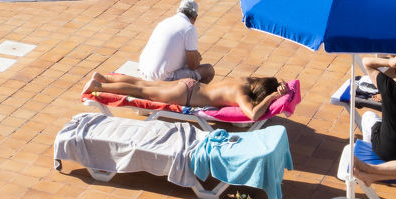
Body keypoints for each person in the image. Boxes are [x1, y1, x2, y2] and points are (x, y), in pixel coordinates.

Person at [83, 70, 284, 121]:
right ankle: (99, 85)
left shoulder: (244, 80)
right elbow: (253, 115)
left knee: (144, 84)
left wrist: (279, 85)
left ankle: (104, 79)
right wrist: (271, 98)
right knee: (141, 91)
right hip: (185, 96)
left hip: (189, 85)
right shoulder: (243, 95)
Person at [132, 0, 213, 83]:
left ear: (178, 11)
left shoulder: (164, 22)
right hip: (160, 79)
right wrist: (197, 58)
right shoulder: (189, 28)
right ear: (195, 17)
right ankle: (190, 95)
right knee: (208, 70)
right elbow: (193, 65)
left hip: (144, 72)